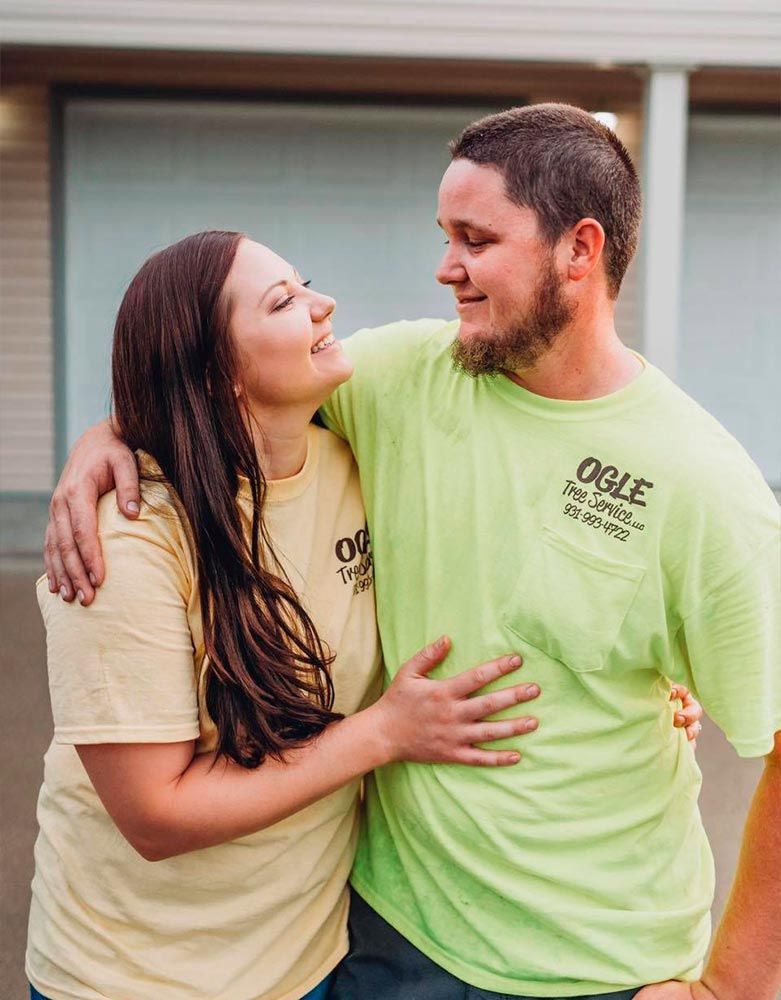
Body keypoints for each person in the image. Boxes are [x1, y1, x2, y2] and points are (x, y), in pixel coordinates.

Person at [45, 103, 774, 1000]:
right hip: (386, 939)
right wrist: (106, 439)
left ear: (577, 250)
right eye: (444, 235)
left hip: (596, 965)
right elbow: (215, 381)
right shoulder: (395, 377)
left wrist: (732, 988)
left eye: (475, 238)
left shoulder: (701, 482)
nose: (445, 268)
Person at [27, 230, 559, 1000]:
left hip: (308, 963)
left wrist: (642, 687)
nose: (324, 303)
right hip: (135, 977)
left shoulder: (352, 461)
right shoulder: (127, 536)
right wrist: (381, 734)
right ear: (217, 377)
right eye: (283, 302)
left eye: (302, 283)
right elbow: (154, 815)